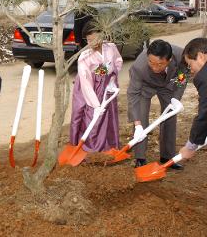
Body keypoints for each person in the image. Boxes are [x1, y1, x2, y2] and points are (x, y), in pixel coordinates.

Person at [127, 39, 186, 169]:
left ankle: (167, 156)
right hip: (145, 86)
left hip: (167, 85)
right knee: (141, 119)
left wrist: (176, 98)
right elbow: (133, 94)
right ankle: (140, 158)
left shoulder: (181, 56)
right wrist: (137, 124)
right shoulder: (139, 67)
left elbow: (182, 77)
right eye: (151, 63)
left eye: (160, 64)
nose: (154, 68)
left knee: (170, 116)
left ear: (169, 60)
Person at [70, 23, 122, 152]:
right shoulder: (85, 56)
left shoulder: (111, 47)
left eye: (96, 39)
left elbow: (118, 62)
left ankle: (109, 144)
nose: (93, 43)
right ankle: (90, 147)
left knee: (108, 115)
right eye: (89, 40)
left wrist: (112, 78)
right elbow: (86, 82)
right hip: (89, 88)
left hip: (107, 86)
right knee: (91, 115)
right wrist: (95, 104)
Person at [179, 38, 207, 160]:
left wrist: (191, 145)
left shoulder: (204, 77)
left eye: (190, 64)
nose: (191, 69)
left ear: (201, 57)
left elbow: (204, 113)